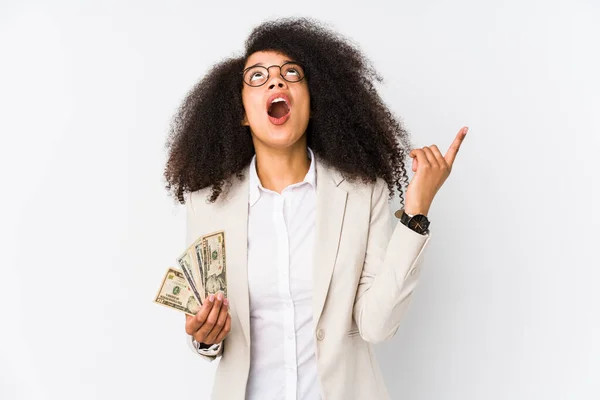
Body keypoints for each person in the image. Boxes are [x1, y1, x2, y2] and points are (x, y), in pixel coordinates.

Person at [164, 17, 467, 400]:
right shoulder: (208, 205)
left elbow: (377, 325)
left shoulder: (361, 193)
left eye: (292, 73)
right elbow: (208, 334)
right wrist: (205, 337)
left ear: (313, 100)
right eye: (257, 77)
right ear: (240, 111)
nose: (276, 81)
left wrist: (416, 213)